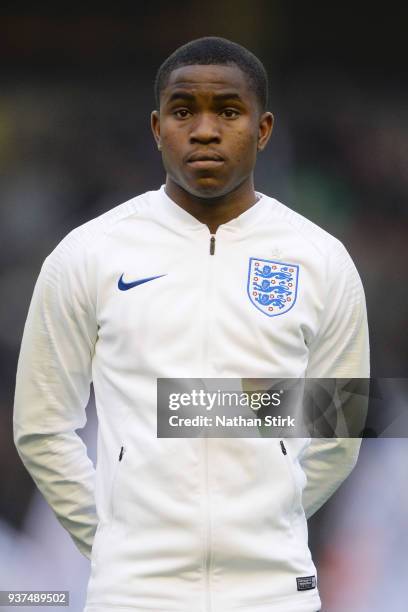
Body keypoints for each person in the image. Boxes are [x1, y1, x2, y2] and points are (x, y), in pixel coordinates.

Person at [13, 36, 369, 612]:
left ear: (264, 128)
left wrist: (265, 522)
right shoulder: (88, 255)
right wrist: (114, 539)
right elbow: (41, 427)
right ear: (157, 128)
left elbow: (339, 429)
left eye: (228, 111)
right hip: (134, 592)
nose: (205, 130)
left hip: (273, 590)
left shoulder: (320, 259)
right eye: (184, 111)